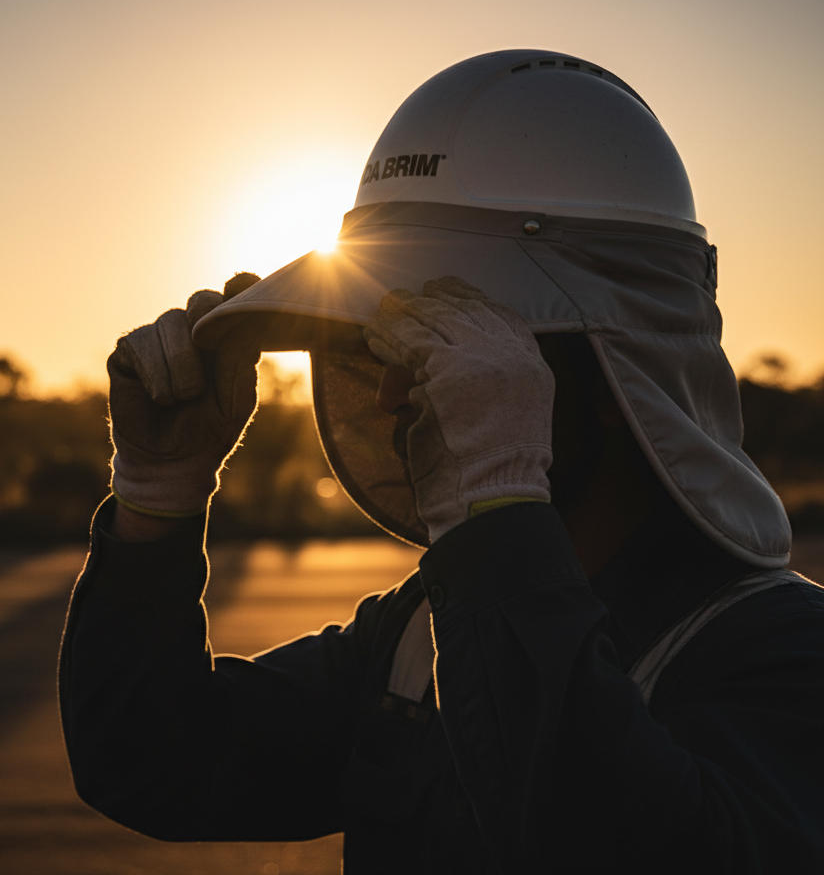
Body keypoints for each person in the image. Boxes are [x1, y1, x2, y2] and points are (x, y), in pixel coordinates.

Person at [59, 51, 824, 873]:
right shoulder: (419, 632)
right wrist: (157, 499)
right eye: (385, 343)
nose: (392, 392)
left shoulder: (784, 657)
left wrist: (499, 515)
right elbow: (154, 762)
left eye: (461, 341)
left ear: (621, 369)